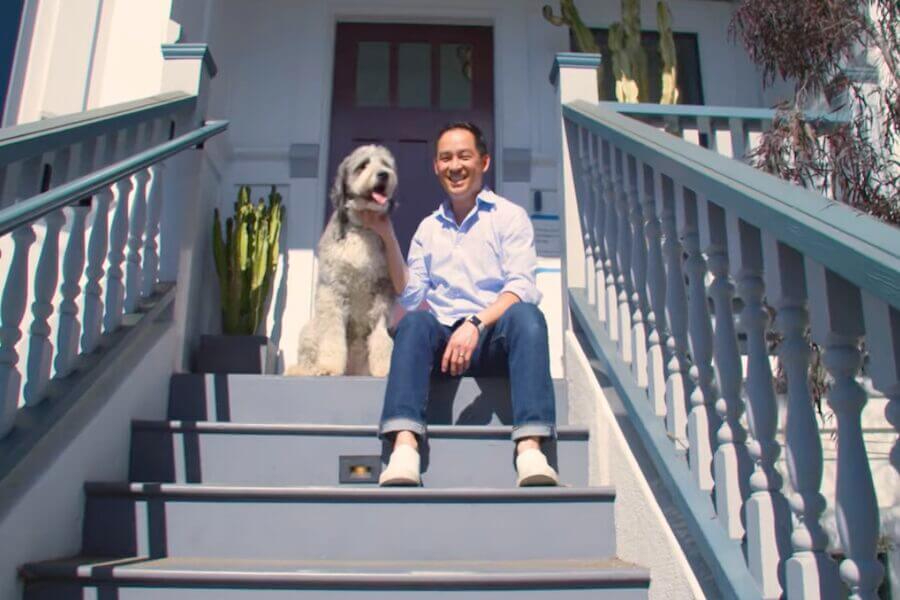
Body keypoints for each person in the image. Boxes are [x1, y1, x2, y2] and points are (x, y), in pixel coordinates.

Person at [360, 121, 559, 487]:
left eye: (464, 156)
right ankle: (404, 448)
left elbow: (521, 286)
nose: (455, 166)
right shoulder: (428, 228)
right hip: (445, 345)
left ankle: (531, 449)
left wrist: (475, 324)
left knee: (528, 316)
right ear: (436, 166)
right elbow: (410, 294)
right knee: (414, 323)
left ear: (484, 162)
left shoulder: (509, 216)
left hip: (493, 338)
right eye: (445, 158)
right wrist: (387, 234)